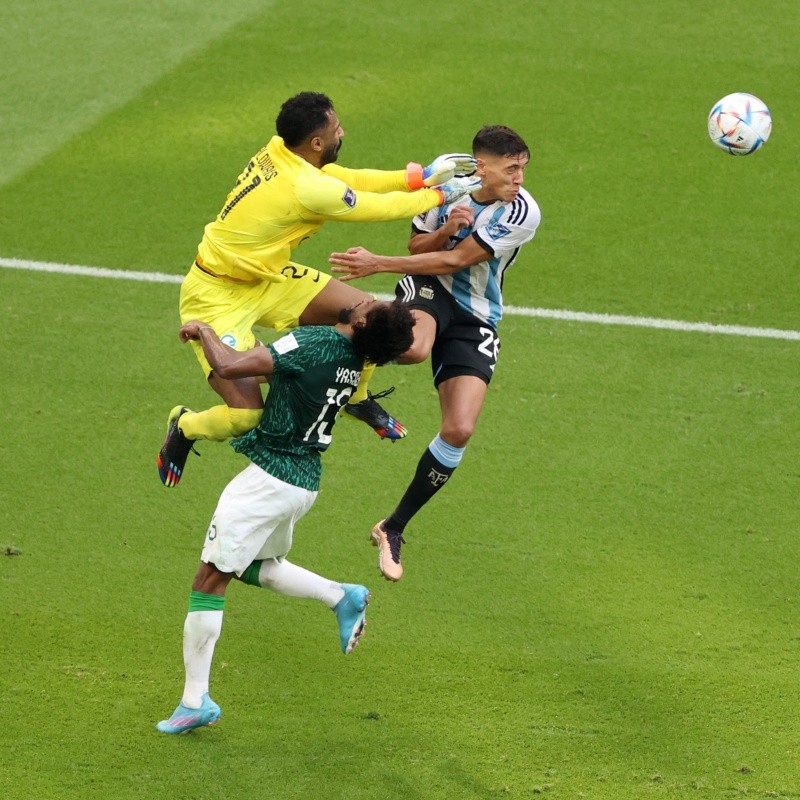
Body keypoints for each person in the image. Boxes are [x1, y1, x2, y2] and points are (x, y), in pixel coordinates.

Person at [157, 90, 480, 488]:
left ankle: (356, 397)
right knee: (245, 417)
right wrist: (443, 193)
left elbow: (348, 179)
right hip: (215, 296)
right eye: (336, 129)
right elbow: (375, 208)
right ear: (315, 143)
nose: (342, 132)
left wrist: (421, 175)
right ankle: (185, 425)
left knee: (373, 314)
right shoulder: (304, 187)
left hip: (268, 277)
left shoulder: (281, 150)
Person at [156, 298, 415, 734]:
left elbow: (232, 366)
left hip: (269, 481)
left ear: (362, 321)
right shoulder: (353, 362)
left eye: (370, 302)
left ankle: (194, 699)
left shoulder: (317, 342)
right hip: (303, 481)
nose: (363, 297)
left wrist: (204, 332)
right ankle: (340, 596)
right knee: (255, 566)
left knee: (209, 580)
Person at [329, 125, 541, 582]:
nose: (519, 178)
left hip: (477, 316)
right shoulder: (447, 191)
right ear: (481, 166)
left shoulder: (523, 212)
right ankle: (340, 354)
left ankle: (392, 527)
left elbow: (455, 261)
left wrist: (377, 263)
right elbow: (419, 248)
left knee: (460, 429)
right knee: (413, 348)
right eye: (511, 169)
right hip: (428, 291)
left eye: (523, 168)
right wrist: (445, 226)